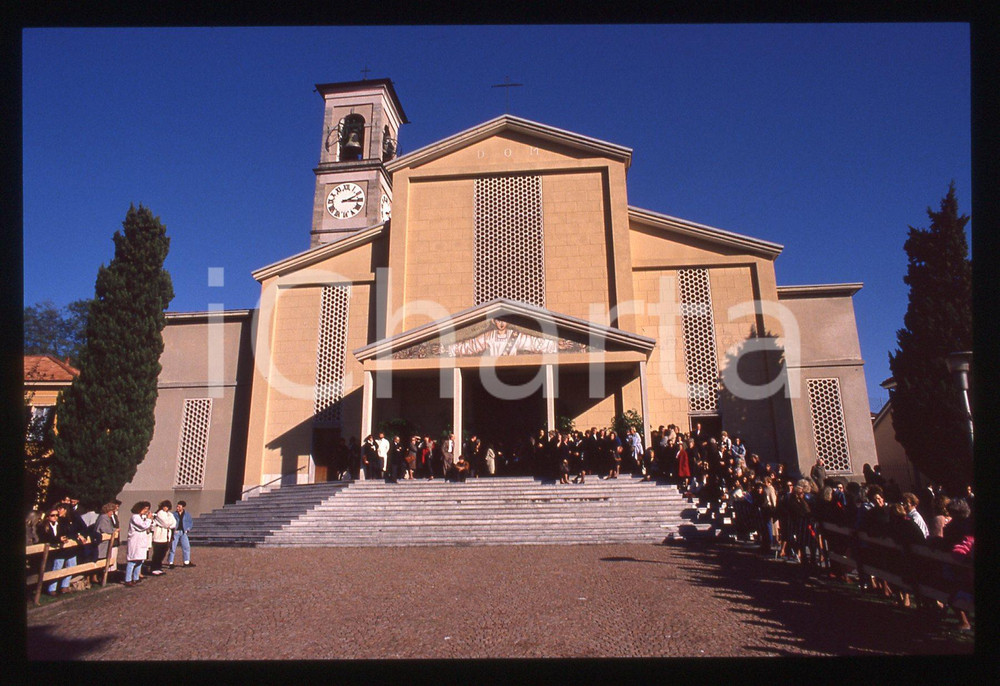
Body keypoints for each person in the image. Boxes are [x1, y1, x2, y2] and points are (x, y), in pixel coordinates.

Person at [37, 507, 74, 595]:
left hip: (59, 549)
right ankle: (51, 589)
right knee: (53, 568)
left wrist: (64, 538)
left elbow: (66, 532)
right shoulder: (43, 526)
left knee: (63, 565)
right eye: (52, 515)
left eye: (57, 515)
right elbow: (46, 537)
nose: (55, 517)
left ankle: (61, 587)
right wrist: (58, 539)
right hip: (49, 551)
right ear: (48, 517)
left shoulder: (60, 524)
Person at [124, 502, 153, 587]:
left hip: (141, 541)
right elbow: (143, 526)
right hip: (135, 542)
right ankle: (128, 579)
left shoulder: (141, 517)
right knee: (132, 560)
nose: (145, 511)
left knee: (140, 560)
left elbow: (149, 526)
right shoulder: (135, 517)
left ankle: (136, 577)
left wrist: (150, 520)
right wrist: (148, 520)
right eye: (144, 509)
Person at [93, 502, 121, 581]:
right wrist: (114, 530)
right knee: (100, 559)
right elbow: (105, 528)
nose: (112, 513)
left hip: (105, 542)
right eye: (111, 511)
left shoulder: (104, 517)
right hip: (102, 543)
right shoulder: (104, 517)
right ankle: (98, 577)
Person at [150, 500, 176, 575]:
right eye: (164, 506)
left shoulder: (170, 514)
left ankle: (159, 567)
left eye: (167, 507)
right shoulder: (159, 513)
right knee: (157, 553)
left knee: (163, 553)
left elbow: (174, 523)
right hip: (159, 536)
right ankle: (154, 568)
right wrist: (168, 524)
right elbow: (165, 523)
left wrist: (168, 525)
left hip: (166, 536)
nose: (165, 508)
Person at [167, 500, 195, 568]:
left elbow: (190, 522)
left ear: (183, 507)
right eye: (177, 506)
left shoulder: (187, 514)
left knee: (186, 546)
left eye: (179, 506)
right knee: (173, 547)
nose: (177, 508)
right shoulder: (173, 514)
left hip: (183, 532)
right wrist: (173, 529)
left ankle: (186, 562)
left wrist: (188, 529)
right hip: (176, 532)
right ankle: (171, 562)